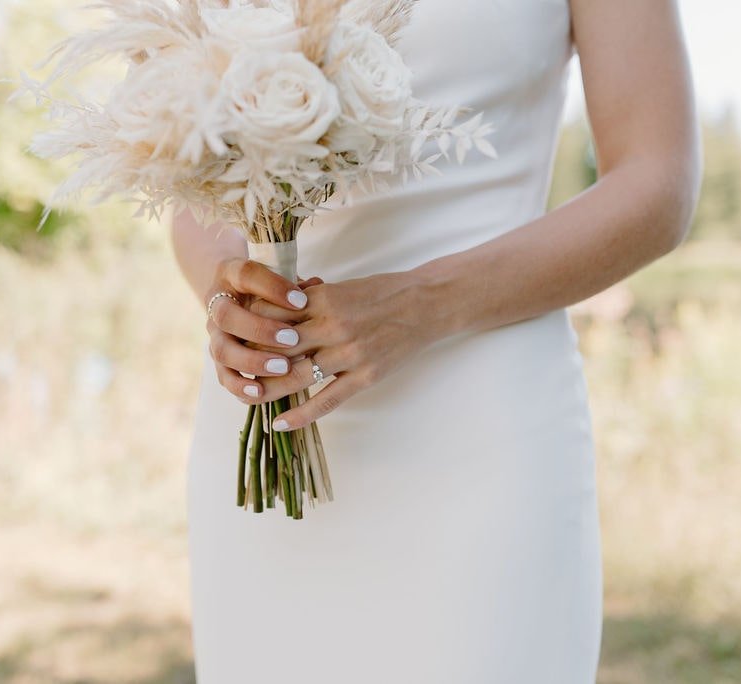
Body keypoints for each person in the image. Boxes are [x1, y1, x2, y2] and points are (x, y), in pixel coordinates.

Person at [171, 0, 701, 681]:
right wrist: (231, 295)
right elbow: (187, 176)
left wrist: (422, 303)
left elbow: (657, 182)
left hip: (478, 432)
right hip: (268, 433)